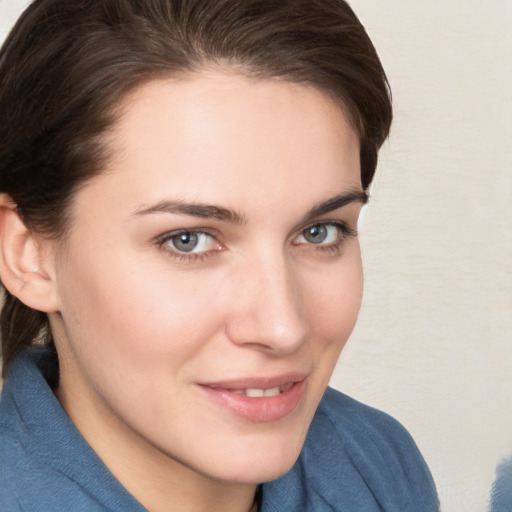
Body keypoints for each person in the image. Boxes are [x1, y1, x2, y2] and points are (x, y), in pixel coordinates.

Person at [0, 1, 439, 510]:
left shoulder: (374, 464)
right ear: (27, 254)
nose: (282, 327)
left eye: (319, 232)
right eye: (188, 240)